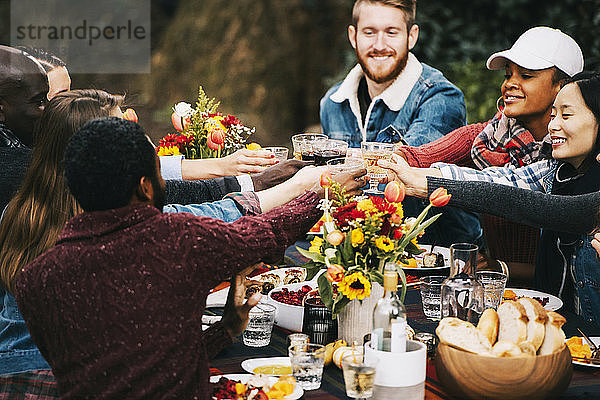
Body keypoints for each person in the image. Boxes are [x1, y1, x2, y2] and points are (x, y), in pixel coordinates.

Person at [13, 117, 364, 399]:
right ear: (146, 186)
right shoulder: (178, 240)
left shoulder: (35, 280)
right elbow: (265, 234)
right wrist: (320, 192)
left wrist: (225, 330)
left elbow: (129, 369)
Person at [380, 72, 600, 327]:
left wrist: (427, 185)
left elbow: (530, 205)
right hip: (558, 331)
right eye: (553, 116)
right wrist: (418, 177)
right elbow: (495, 182)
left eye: (567, 115)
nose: (553, 126)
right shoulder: (555, 171)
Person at [396, 26, 583, 169]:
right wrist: (387, 160)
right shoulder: (488, 136)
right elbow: (418, 156)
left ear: (562, 86)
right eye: (508, 75)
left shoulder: (579, 150)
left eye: (526, 76)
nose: (509, 84)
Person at [320, 0, 466, 147]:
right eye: (369, 32)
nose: (379, 45)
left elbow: (404, 166)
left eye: (391, 32)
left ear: (411, 37)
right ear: (353, 37)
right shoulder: (332, 103)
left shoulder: (441, 99)